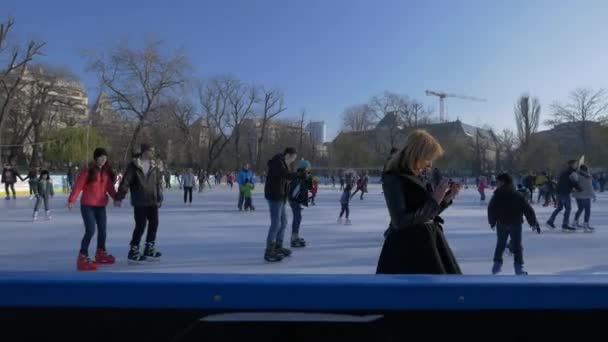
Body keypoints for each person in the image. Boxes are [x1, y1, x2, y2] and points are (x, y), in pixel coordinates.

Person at [377, 130, 462, 274]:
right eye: (428, 158)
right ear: (417, 154)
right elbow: (400, 220)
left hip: (429, 244)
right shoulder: (393, 177)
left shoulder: (416, 176)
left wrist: (446, 198)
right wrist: (435, 199)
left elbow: (425, 213)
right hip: (408, 250)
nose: (429, 163)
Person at [68, 148, 118, 271]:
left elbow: (110, 188)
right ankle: (82, 256)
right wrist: (72, 200)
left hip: (101, 206)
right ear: (96, 158)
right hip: (88, 205)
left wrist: (117, 198)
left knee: (103, 230)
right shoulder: (88, 172)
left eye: (105, 158)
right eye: (101, 157)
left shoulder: (106, 173)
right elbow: (78, 186)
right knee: (90, 230)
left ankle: (100, 252)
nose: (103, 160)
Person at [115, 143, 164, 263]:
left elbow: (157, 183)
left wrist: (159, 197)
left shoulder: (154, 166)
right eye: (150, 150)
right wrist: (119, 197)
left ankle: (149, 247)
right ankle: (133, 250)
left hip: (152, 200)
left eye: (153, 151)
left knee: (154, 224)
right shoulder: (134, 166)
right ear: (144, 151)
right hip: (140, 200)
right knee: (140, 225)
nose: (152, 153)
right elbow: (126, 182)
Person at [488, 173, 540, 276]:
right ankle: (518, 269)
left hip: (502, 223)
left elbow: (491, 209)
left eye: (498, 182)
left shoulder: (497, 195)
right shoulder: (517, 194)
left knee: (501, 244)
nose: (496, 184)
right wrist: (533, 223)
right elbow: (528, 210)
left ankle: (496, 267)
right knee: (517, 246)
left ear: (503, 182)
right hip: (515, 223)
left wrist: (492, 221)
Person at [264, 147, 298, 262]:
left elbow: (285, 180)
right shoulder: (277, 162)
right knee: (276, 223)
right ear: (288, 155)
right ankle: (269, 251)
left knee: (283, 222)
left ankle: (278, 246)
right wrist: (298, 175)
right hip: (274, 196)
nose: (293, 161)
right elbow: (285, 175)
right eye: (293, 158)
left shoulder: (284, 163)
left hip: (281, 197)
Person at [547, 160, 580, 232]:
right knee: (568, 208)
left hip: (559, 192)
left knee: (559, 208)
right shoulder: (571, 172)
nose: (576, 165)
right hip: (564, 193)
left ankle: (550, 221)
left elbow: (567, 182)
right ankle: (565, 225)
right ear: (572, 164)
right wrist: (580, 189)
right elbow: (574, 182)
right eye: (576, 164)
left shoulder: (565, 172)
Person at [288, 159, 312, 248]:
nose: (308, 171)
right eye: (307, 169)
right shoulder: (298, 178)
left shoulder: (302, 177)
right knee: (297, 218)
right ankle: (294, 238)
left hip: (295, 201)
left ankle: (295, 236)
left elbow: (306, 188)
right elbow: (295, 191)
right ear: (303, 169)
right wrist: (298, 200)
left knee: (298, 218)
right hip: (294, 201)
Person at [572, 165, 595, 232]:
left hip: (578, 195)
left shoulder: (577, 174)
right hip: (585, 195)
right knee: (587, 210)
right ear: (586, 169)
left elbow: (573, 181)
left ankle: (575, 222)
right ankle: (585, 224)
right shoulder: (587, 176)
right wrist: (593, 195)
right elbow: (589, 187)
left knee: (580, 208)